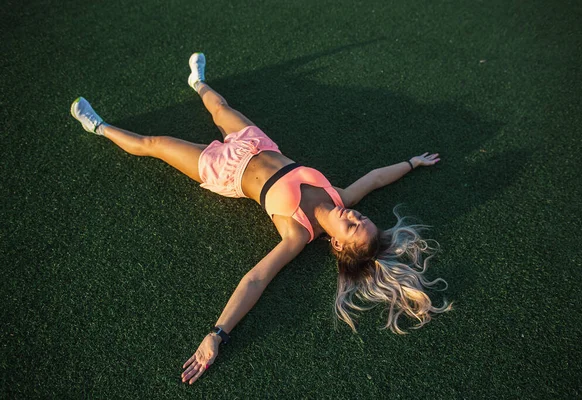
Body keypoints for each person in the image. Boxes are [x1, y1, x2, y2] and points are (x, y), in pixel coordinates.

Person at [71, 52, 452, 385]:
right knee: (219, 108)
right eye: (362, 217)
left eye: (352, 226)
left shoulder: (296, 233)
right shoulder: (341, 196)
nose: (353, 214)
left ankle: (98, 126)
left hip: (223, 170)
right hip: (259, 142)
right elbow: (375, 178)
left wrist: (217, 334)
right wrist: (411, 163)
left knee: (153, 144)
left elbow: (255, 279)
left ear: (336, 244)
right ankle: (198, 81)